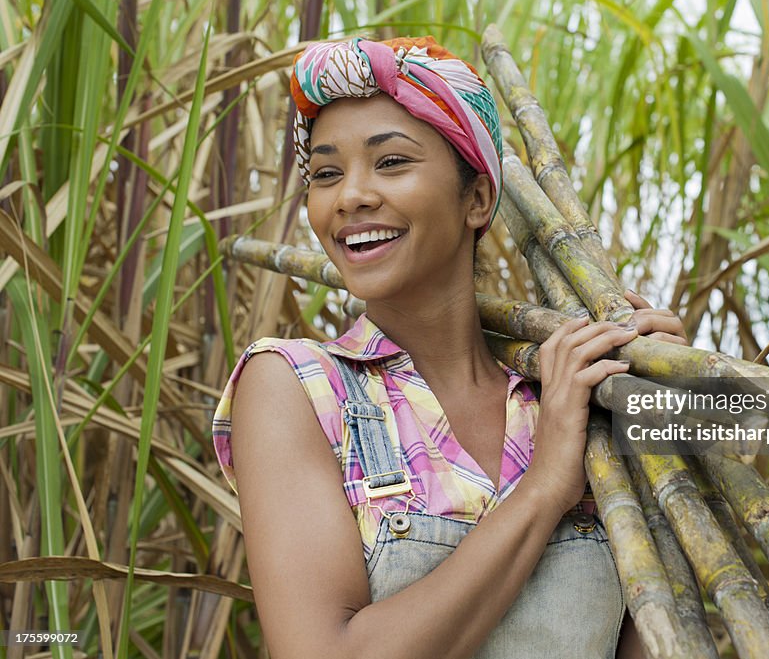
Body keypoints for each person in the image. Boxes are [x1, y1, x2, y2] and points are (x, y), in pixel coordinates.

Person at [212, 36, 688, 659]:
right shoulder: (295, 389)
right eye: (327, 173)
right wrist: (544, 488)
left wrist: (667, 427)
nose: (350, 195)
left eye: (390, 163)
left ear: (477, 199)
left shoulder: (567, 399)